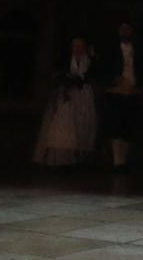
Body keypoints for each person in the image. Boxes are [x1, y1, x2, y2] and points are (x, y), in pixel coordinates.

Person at [33, 37, 99, 168]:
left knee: (84, 124)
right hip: (67, 95)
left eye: (80, 46)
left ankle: (81, 157)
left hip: (84, 97)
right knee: (65, 125)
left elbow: (90, 77)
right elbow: (59, 76)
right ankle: (64, 157)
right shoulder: (66, 61)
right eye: (75, 46)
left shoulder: (90, 62)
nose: (78, 49)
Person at [99, 22, 143, 172]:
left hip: (132, 91)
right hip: (116, 91)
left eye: (128, 29)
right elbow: (104, 68)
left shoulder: (138, 49)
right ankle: (117, 161)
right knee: (116, 125)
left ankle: (124, 160)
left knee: (128, 127)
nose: (125, 32)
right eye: (123, 29)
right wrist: (113, 79)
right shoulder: (111, 50)